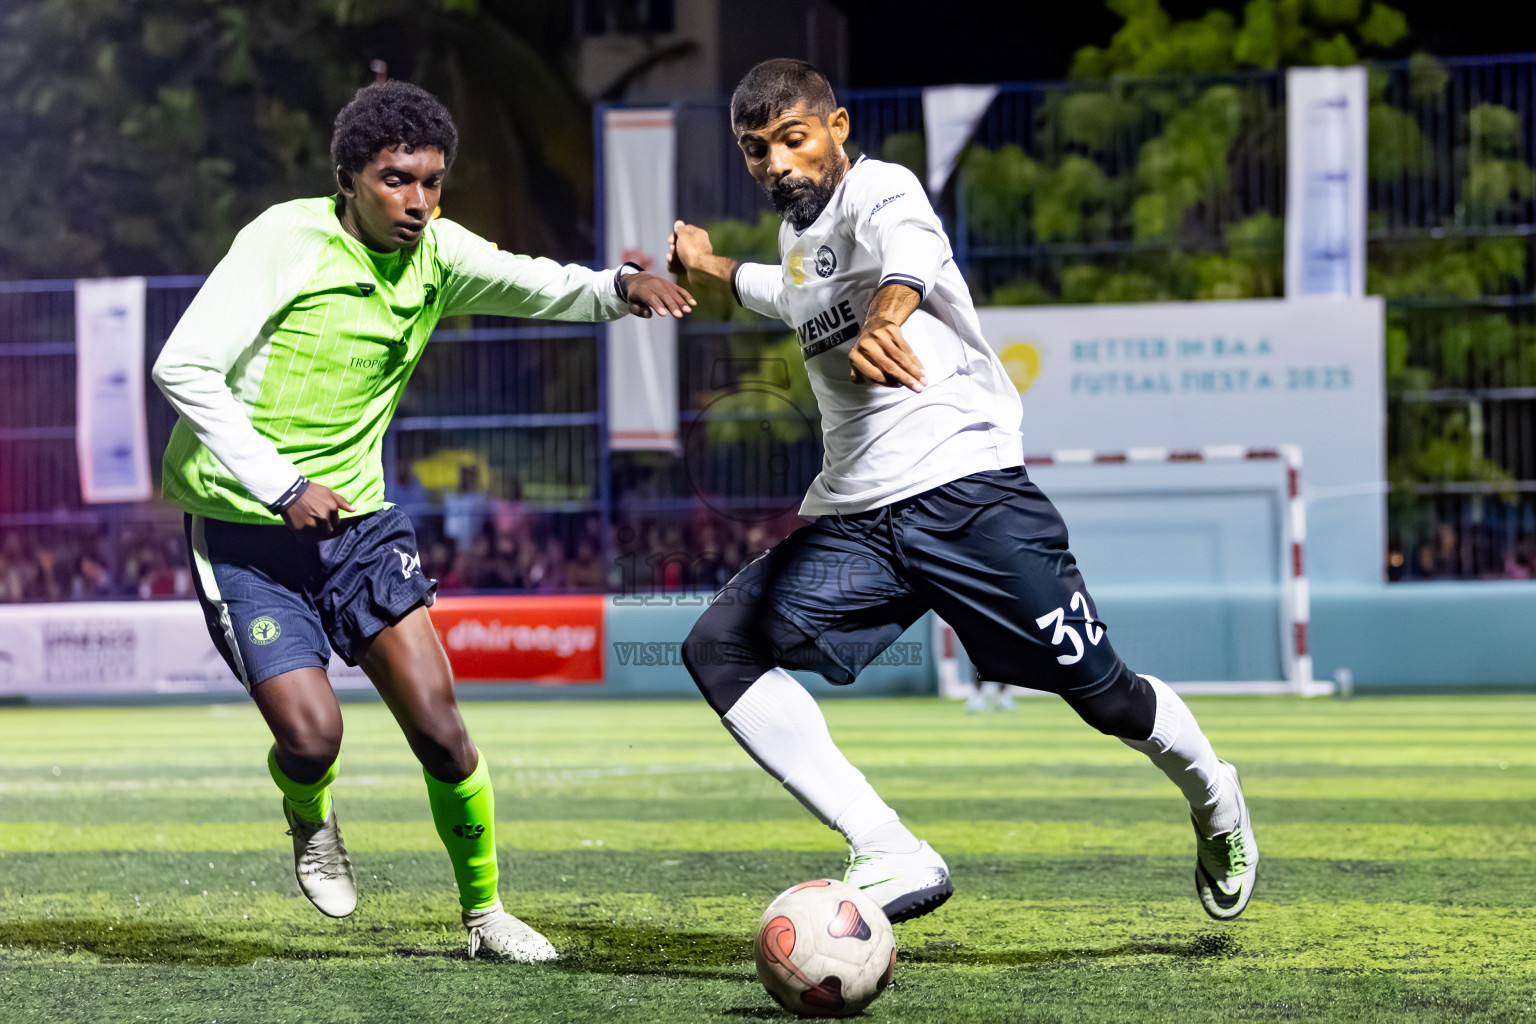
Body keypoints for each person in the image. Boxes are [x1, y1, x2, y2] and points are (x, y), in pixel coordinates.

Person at [668, 59, 1257, 925]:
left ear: (834, 126)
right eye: (757, 152)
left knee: (1107, 697)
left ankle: (1216, 797)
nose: (778, 164)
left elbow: (911, 252)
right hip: (859, 521)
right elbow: (781, 291)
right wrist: (709, 262)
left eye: (793, 139)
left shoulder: (883, 191)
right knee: (719, 647)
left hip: (969, 496)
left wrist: (886, 315)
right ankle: (890, 850)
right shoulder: (800, 247)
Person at [153, 80, 694, 960]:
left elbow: (536, 284)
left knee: (443, 730)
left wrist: (621, 286)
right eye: (397, 179)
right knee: (311, 733)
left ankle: (485, 916)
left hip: (357, 525)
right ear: (348, 177)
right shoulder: (285, 241)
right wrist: (282, 486)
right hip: (245, 528)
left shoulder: (435, 253)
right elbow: (182, 367)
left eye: (434, 182)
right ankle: (309, 810)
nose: (419, 203)